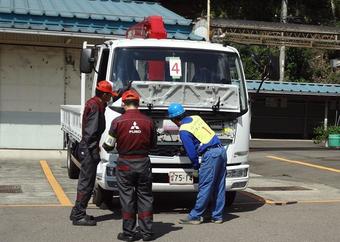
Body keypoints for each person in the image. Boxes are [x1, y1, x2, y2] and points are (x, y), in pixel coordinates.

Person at [102, 90, 156, 241]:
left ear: (124, 104)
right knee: (145, 197)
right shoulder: (149, 121)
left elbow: (108, 145)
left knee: (127, 198)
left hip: (125, 164)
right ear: (138, 104)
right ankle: (147, 233)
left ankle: (129, 233)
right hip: (143, 163)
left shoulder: (117, 121)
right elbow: (153, 144)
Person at [167, 103, 227, 225]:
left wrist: (195, 167)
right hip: (221, 150)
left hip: (211, 155)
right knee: (219, 186)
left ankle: (196, 216)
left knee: (205, 186)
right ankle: (217, 216)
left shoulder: (183, 130)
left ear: (173, 120)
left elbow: (192, 154)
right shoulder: (196, 118)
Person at [69, 80, 118, 226]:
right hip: (89, 149)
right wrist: (94, 149)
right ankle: (79, 215)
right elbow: (91, 132)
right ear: (104, 94)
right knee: (86, 183)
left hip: (88, 147)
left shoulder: (94, 103)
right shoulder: (96, 106)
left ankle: (77, 211)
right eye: (109, 95)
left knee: (86, 181)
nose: (110, 98)